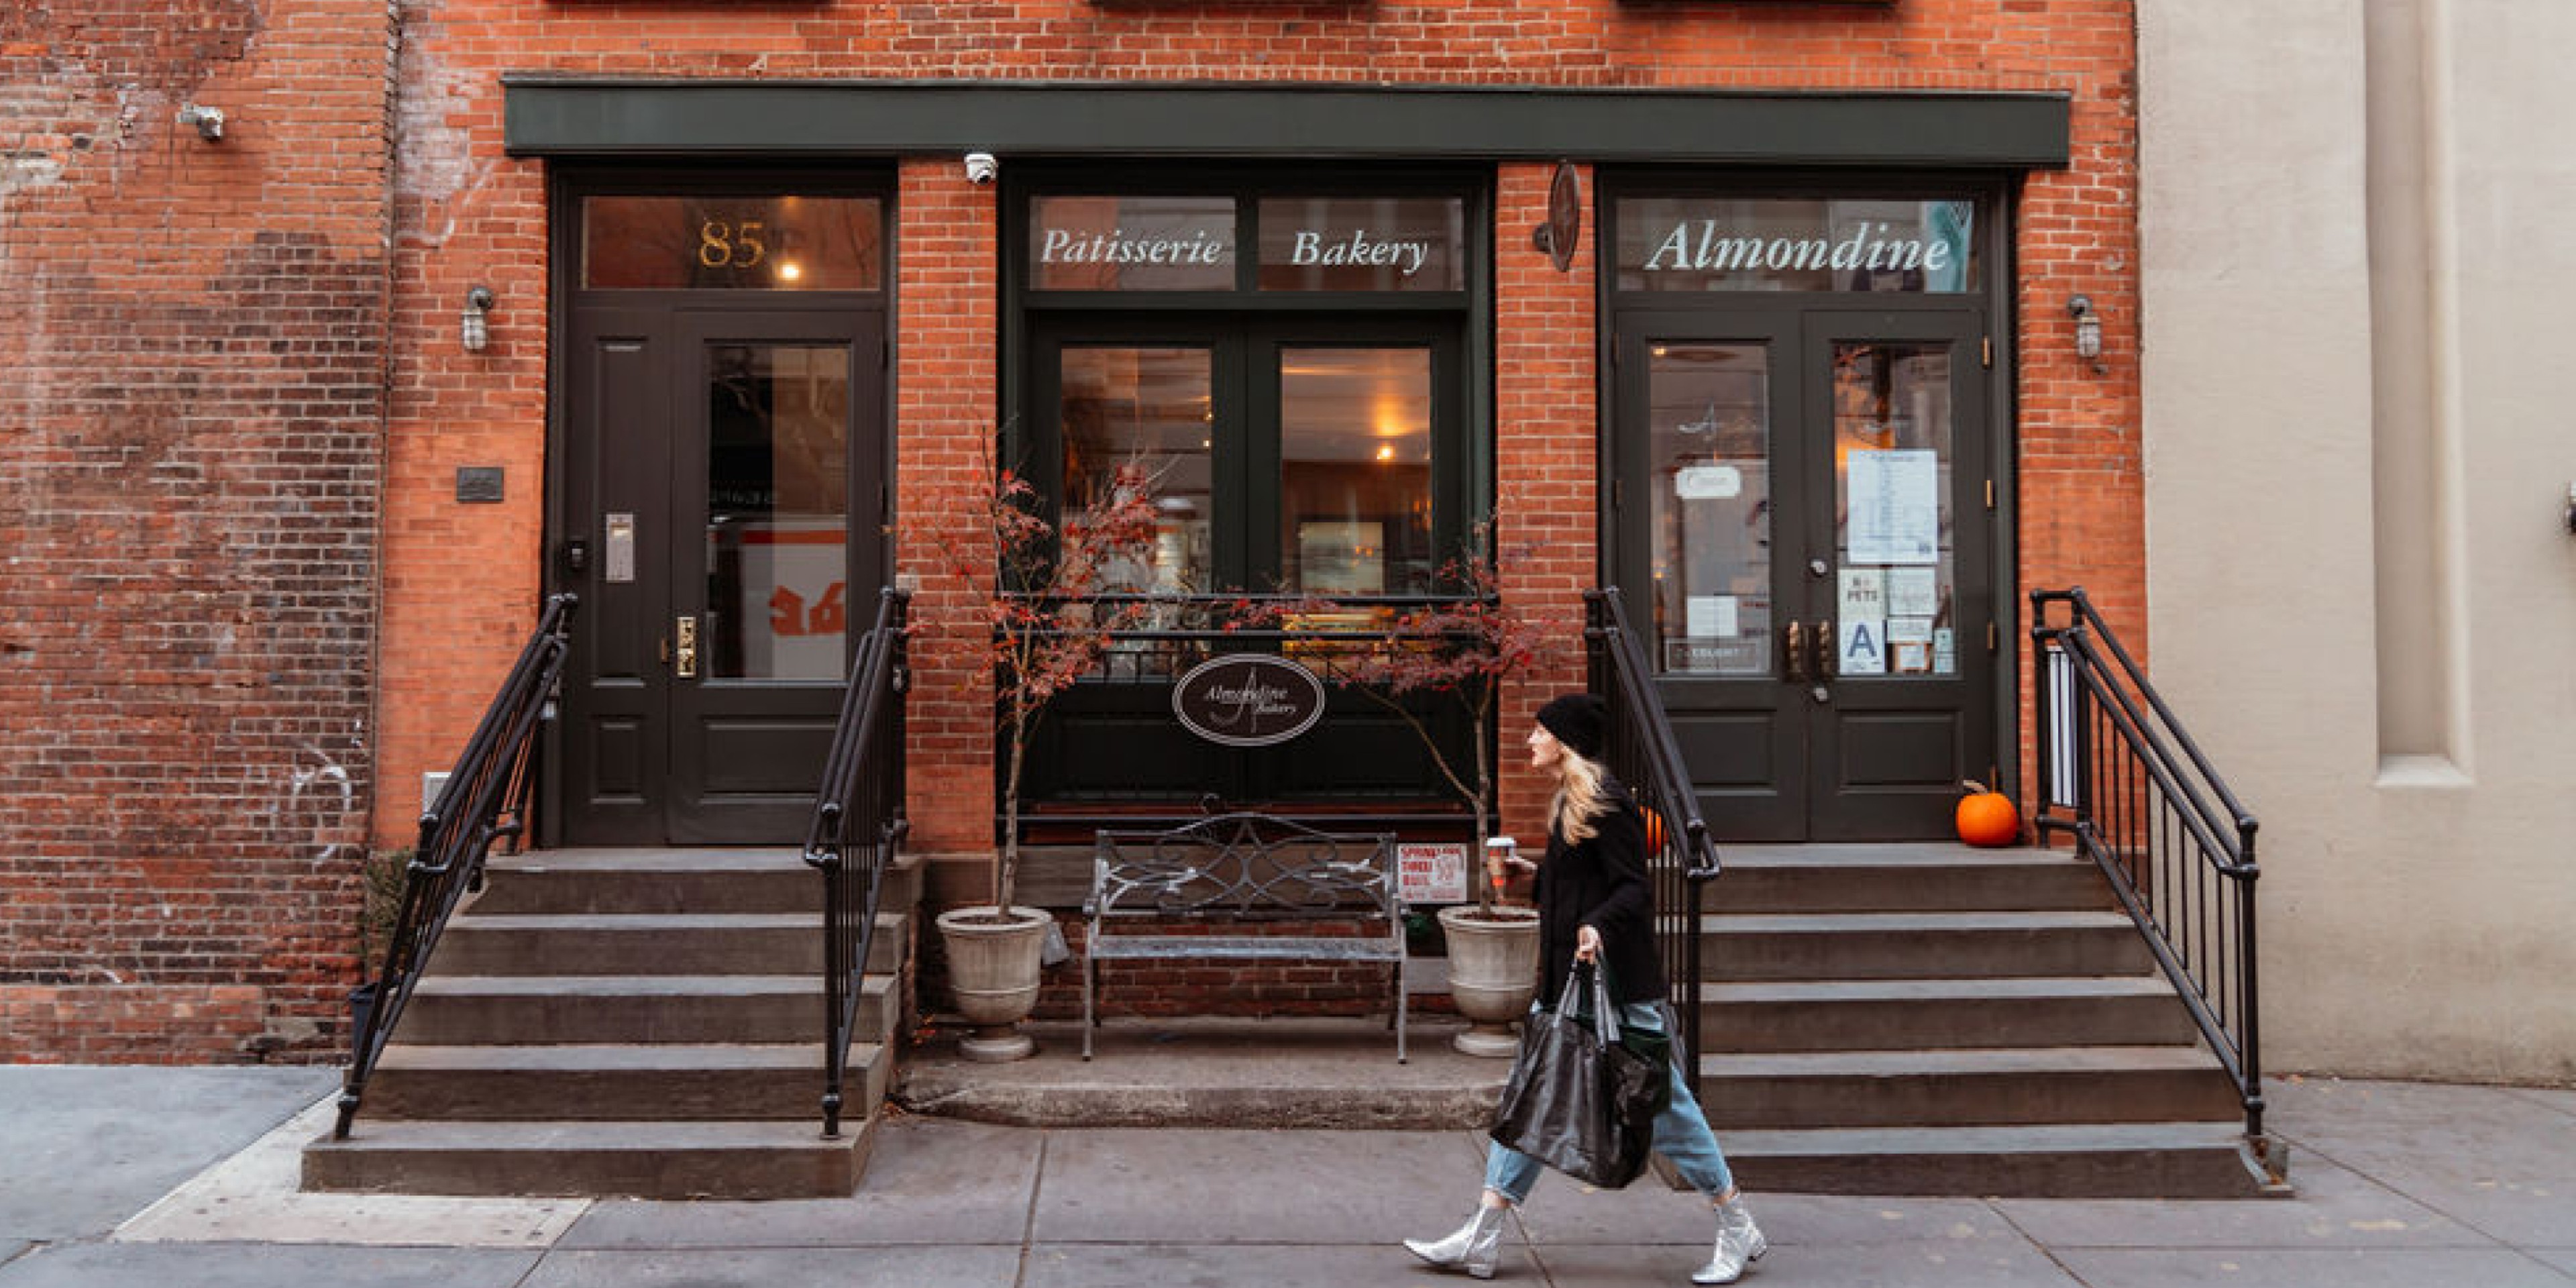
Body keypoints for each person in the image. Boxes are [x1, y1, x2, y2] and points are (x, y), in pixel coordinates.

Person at [1403, 692, 1766, 1283]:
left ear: (1565, 741)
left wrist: (1597, 925)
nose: (1529, 741)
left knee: (1666, 1109)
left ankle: (1736, 1222)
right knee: (1530, 1100)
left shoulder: (1608, 803)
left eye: (1539, 731)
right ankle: (1484, 1234)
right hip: (1571, 986)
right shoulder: (1570, 802)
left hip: (1620, 992)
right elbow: (1584, 882)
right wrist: (1536, 875)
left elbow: (1632, 890)